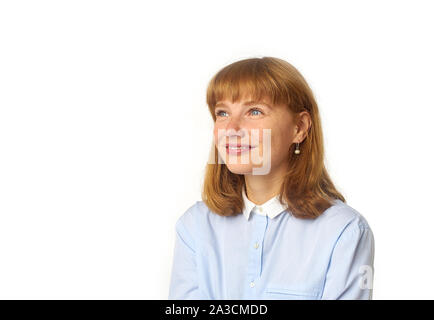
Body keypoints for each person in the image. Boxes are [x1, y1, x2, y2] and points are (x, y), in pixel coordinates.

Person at [168, 57, 375, 300]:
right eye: (222, 113)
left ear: (299, 127)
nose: (232, 128)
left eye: (254, 111)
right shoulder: (195, 226)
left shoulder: (344, 231)